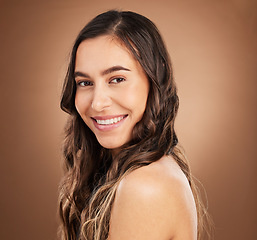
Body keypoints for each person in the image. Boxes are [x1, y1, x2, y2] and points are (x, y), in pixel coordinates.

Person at [58, 10, 209, 240]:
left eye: (117, 79)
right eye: (85, 82)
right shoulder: (132, 169)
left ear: (154, 77)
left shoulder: (145, 186)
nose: (97, 103)